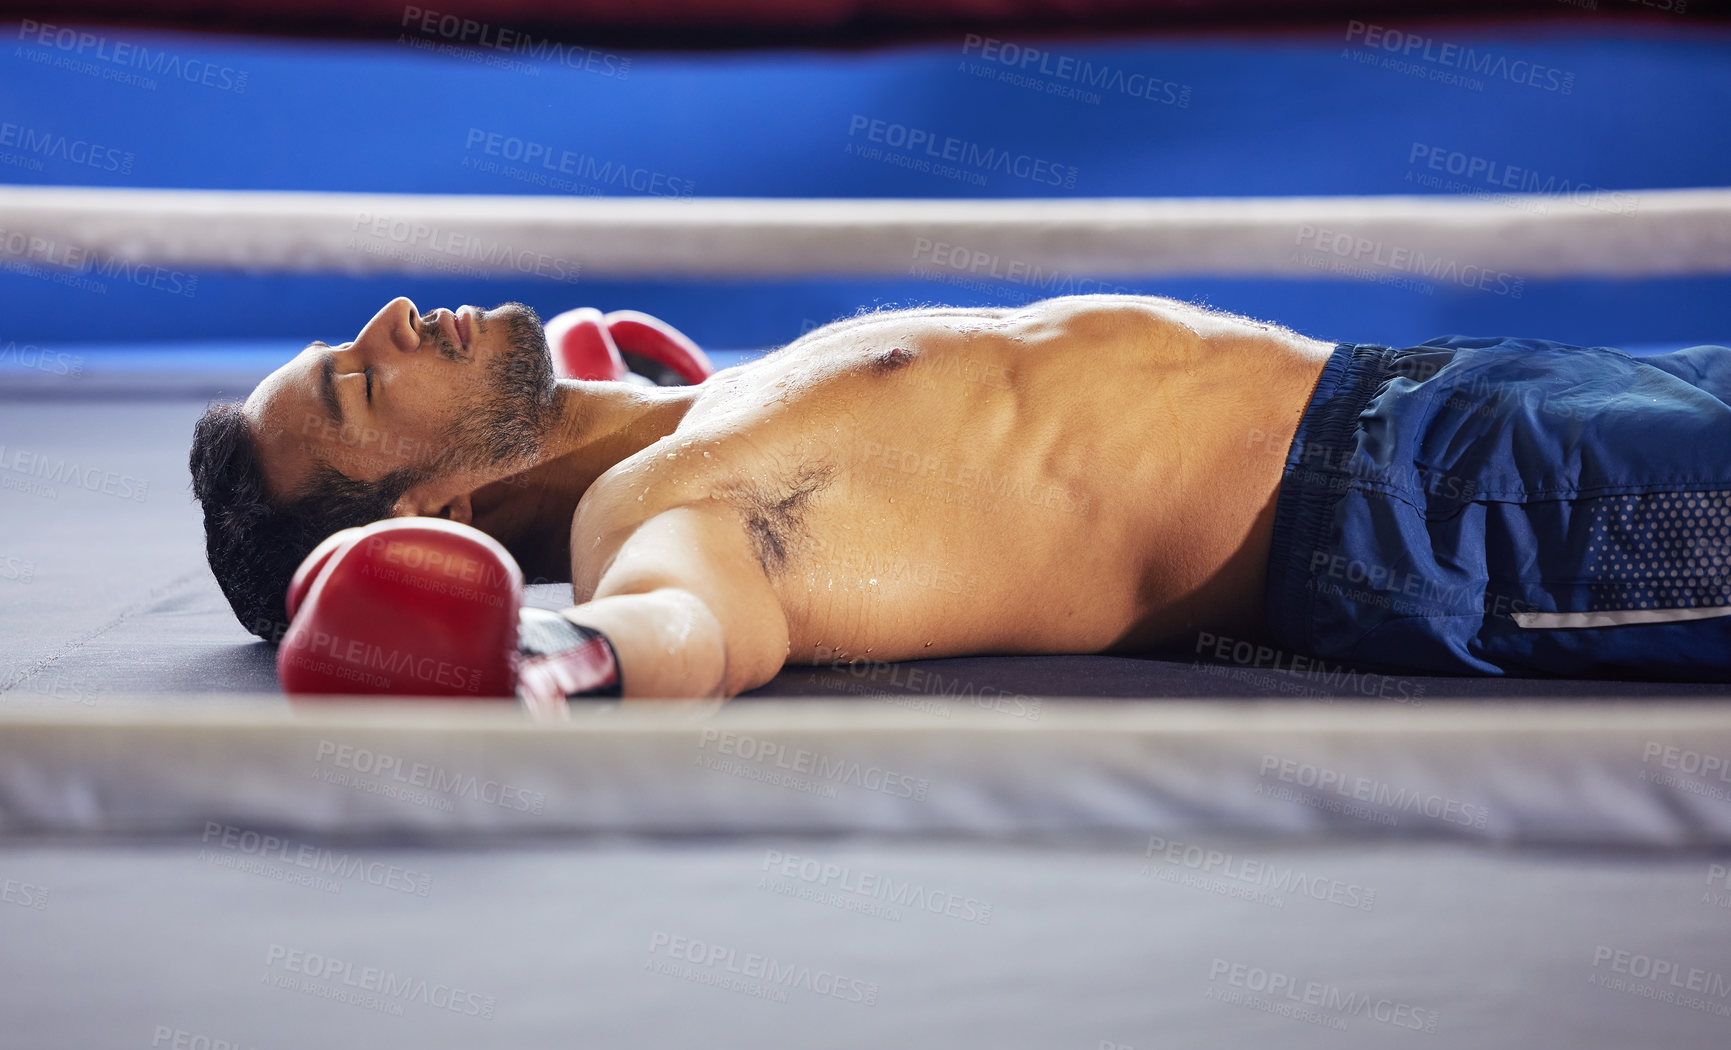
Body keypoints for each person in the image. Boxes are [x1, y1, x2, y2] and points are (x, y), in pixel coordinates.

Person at [190, 294, 1731, 700]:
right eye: (355, 387)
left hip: (1438, 390)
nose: (390, 321)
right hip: (1434, 512)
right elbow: (691, 625)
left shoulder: (676, 399)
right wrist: (553, 658)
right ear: (434, 517)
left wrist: (596, 386)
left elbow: (604, 369)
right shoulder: (648, 515)